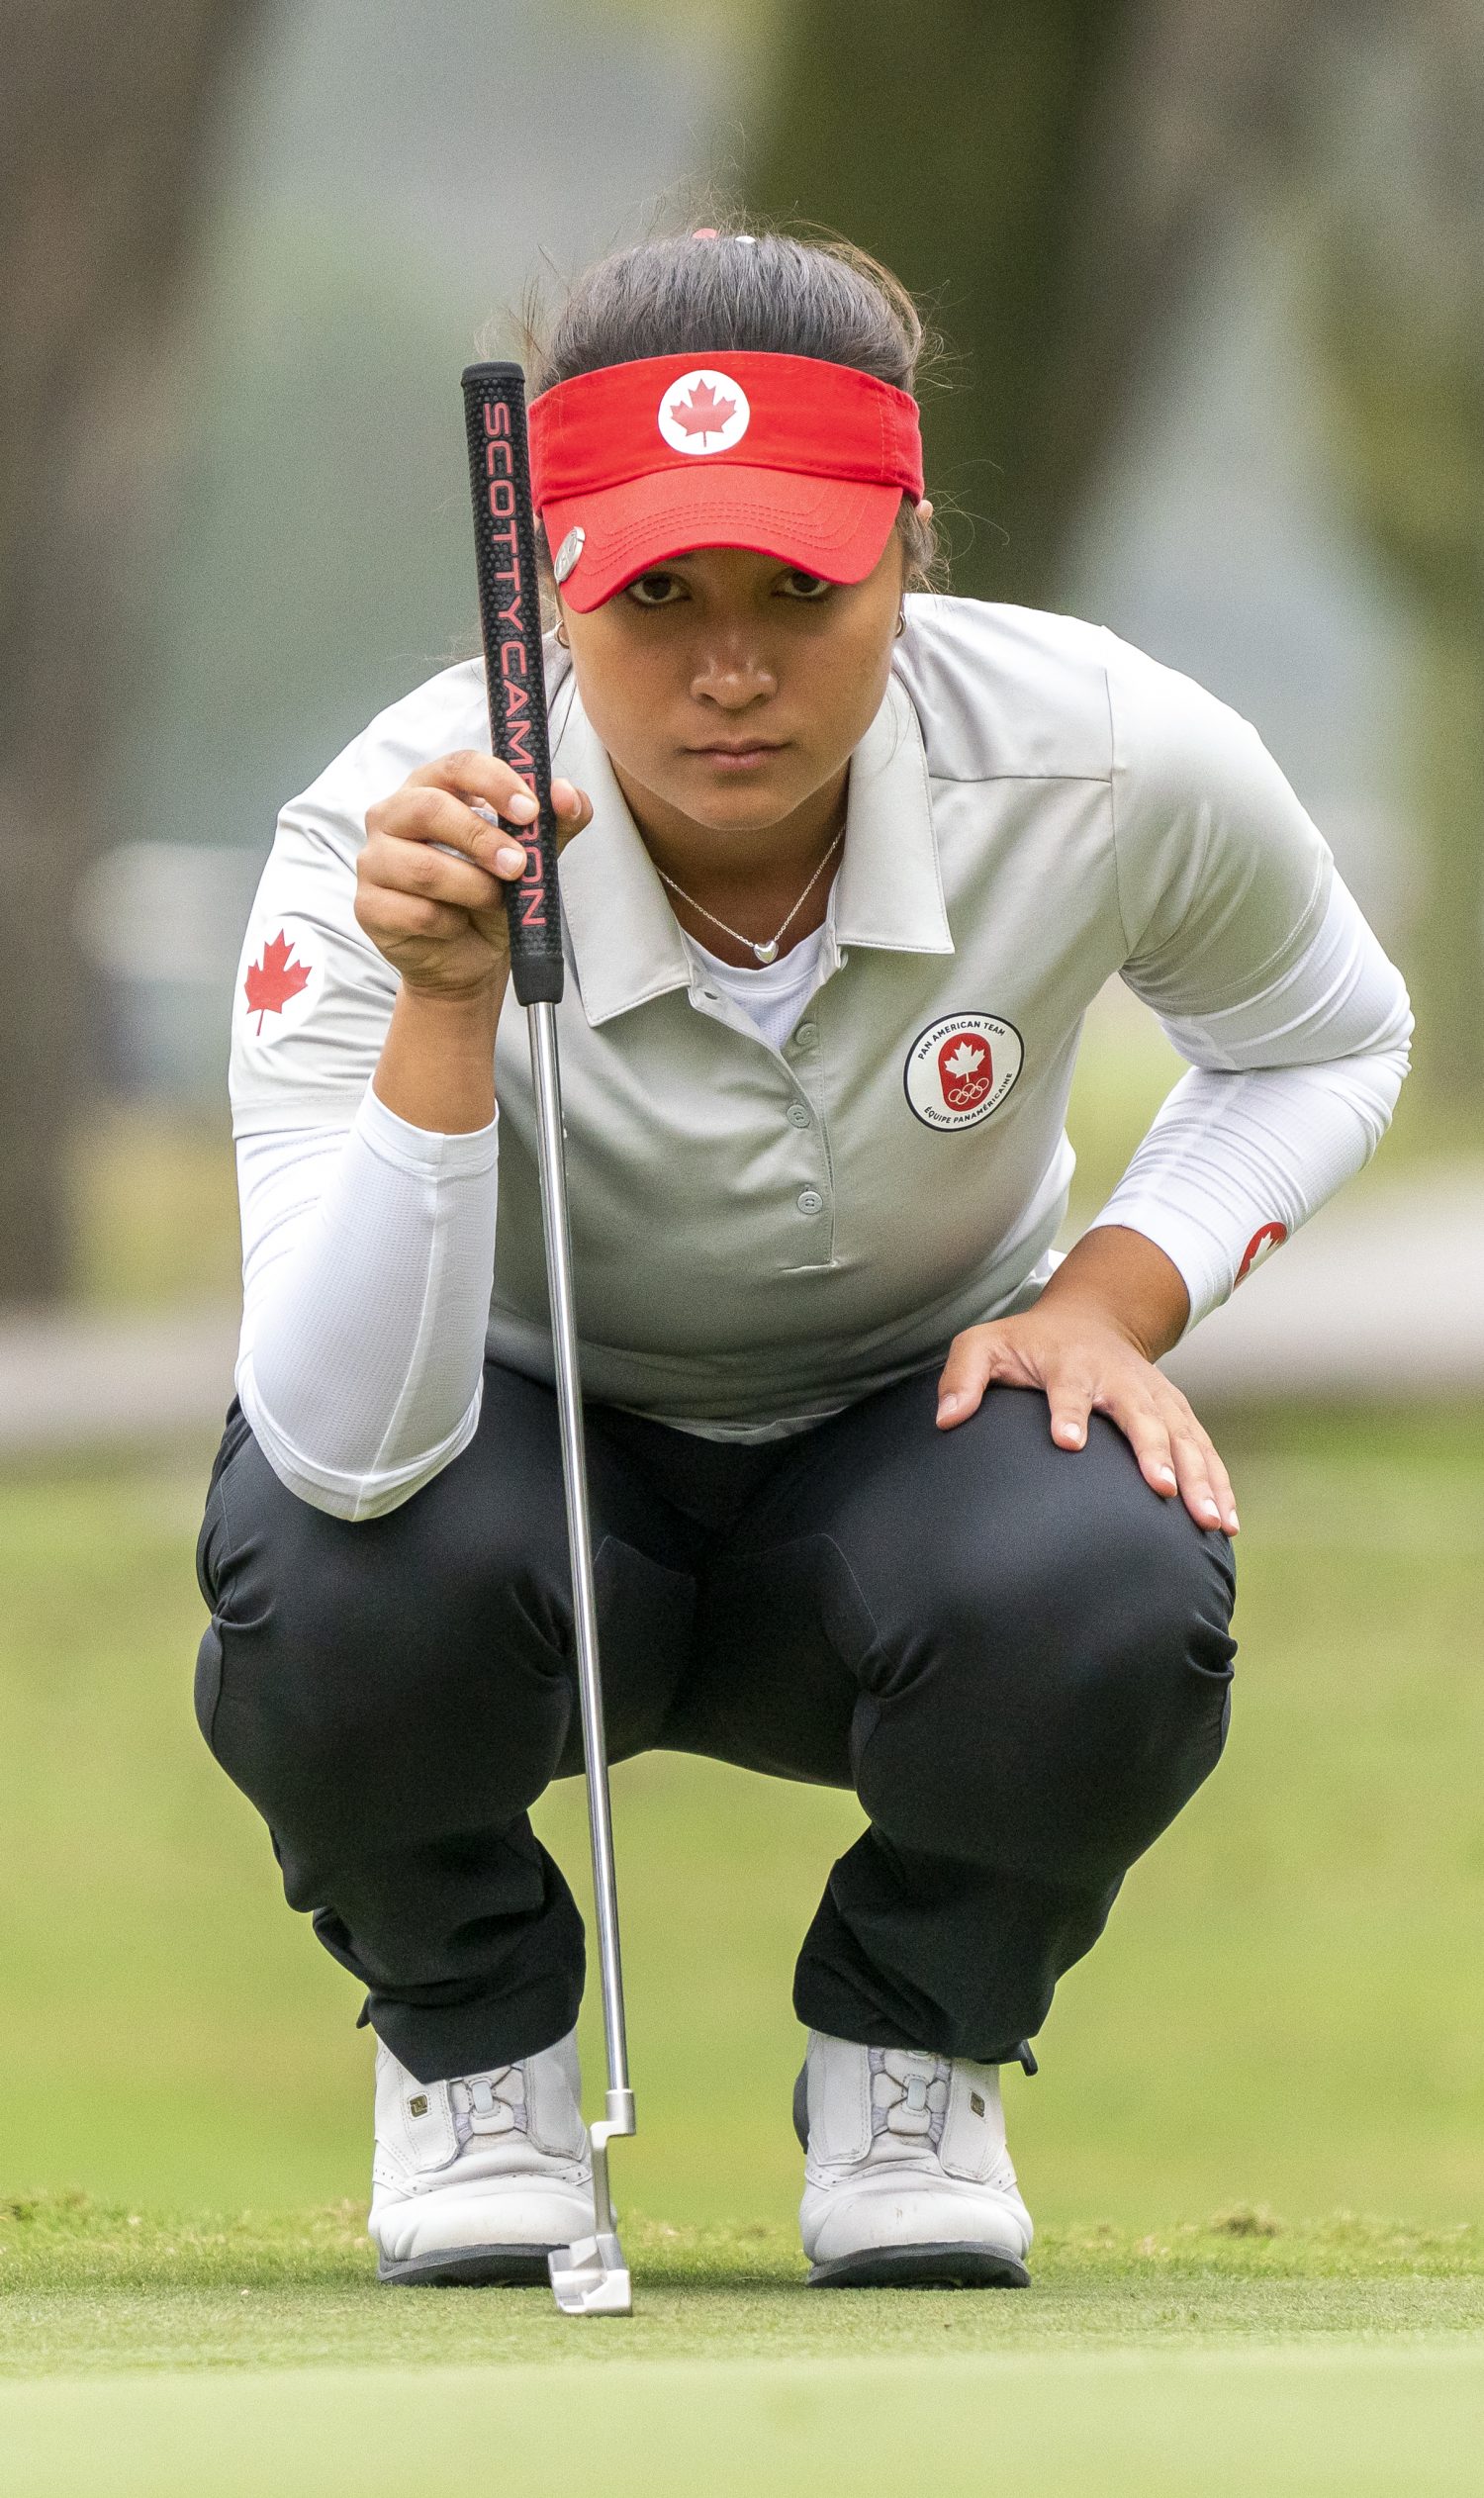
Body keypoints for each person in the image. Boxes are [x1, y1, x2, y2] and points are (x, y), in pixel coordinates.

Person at [195, 227, 1412, 2291]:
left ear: (908, 557)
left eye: (799, 591)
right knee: (329, 1580)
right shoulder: (375, 843)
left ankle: (913, 2051)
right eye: (656, 598)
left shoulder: (1108, 752)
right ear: (551, 585)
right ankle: (476, 2054)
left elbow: (1325, 1034)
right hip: (509, 1490)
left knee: (1113, 1561)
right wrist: (440, 1012)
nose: (729, 669)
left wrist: (1113, 1296)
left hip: (905, 1464)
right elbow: (338, 1449)